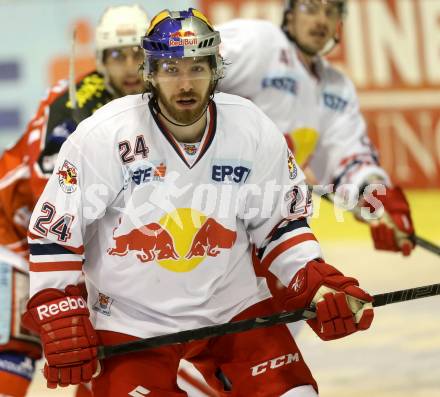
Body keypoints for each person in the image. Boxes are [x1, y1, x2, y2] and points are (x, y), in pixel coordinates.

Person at [22, 9, 374, 397]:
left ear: (217, 69)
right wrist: (59, 305)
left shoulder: (252, 128)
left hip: (234, 308)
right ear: (150, 72)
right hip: (130, 321)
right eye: (171, 69)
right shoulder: (102, 135)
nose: (185, 83)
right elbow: (55, 234)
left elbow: (280, 226)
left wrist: (314, 282)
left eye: (197, 68)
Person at [0, 4, 149, 396]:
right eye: (118, 55)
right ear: (100, 61)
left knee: (102, 350)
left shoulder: (157, 105)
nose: (131, 65)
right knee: (17, 347)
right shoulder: (71, 107)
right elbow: (53, 206)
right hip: (14, 237)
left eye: (139, 53)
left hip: (73, 243)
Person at [217, 0, 415, 256]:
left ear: (338, 23)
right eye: (311, 8)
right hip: (207, 211)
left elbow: (346, 158)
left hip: (267, 227)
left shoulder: (336, 89)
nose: (321, 19)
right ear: (289, 17)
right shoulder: (259, 43)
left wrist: (379, 200)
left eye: (331, 11)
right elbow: (188, 71)